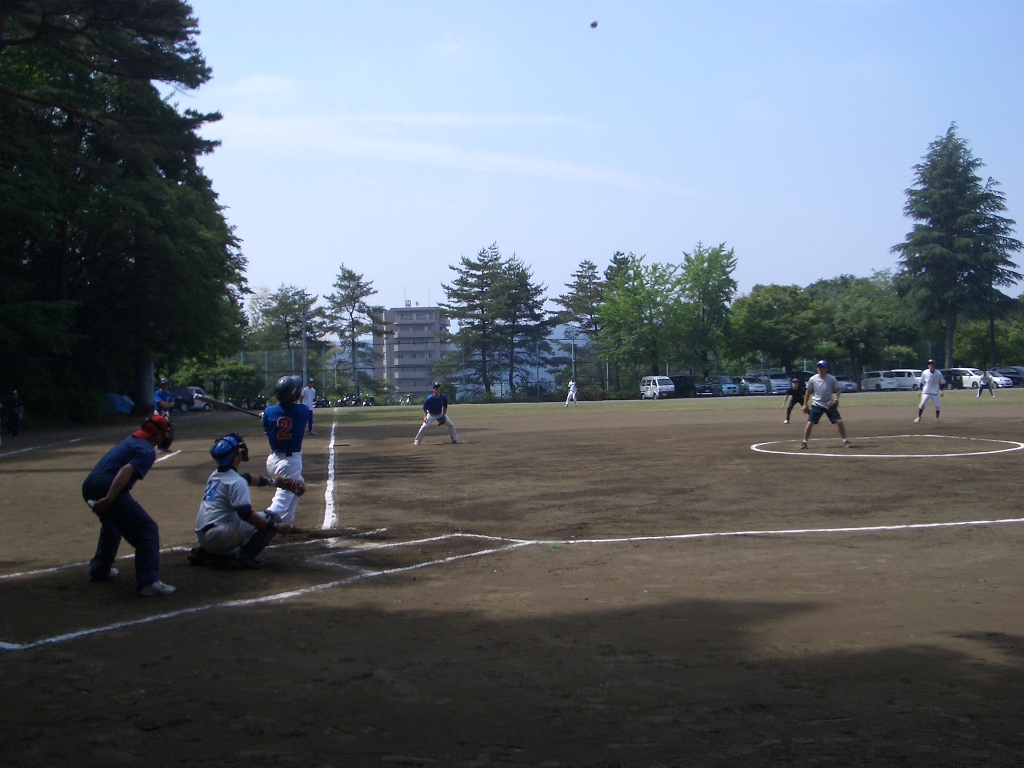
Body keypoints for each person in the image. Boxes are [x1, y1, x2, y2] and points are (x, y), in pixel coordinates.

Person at [81, 414, 176, 596]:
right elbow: (125, 471)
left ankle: (100, 570)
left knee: (112, 526)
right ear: (157, 435)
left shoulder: (130, 441)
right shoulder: (147, 451)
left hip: (89, 486)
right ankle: (149, 582)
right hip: (106, 488)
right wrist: (109, 498)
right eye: (164, 433)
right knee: (147, 530)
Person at [188, 433, 302, 569]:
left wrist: (274, 482)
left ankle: (206, 553)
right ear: (235, 457)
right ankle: (244, 558)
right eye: (238, 451)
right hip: (219, 537)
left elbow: (247, 478)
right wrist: (275, 527)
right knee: (272, 518)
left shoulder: (215, 476)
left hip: (202, 536)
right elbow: (246, 514)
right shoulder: (237, 482)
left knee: (231, 515)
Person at [262, 375, 312, 526]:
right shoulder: (303, 411)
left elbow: (267, 429)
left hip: (273, 460)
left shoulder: (269, 412)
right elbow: (292, 412)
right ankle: (257, 523)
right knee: (280, 503)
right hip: (289, 464)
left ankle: (287, 523)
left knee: (298, 485)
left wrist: (266, 417)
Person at [801, 360, 851, 450]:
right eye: (818, 367)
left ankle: (845, 440)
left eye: (822, 367)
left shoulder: (831, 378)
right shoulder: (812, 379)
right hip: (817, 404)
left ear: (826, 368)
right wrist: (805, 404)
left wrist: (835, 399)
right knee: (810, 423)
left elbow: (838, 390)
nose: (820, 369)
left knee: (839, 422)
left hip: (829, 404)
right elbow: (808, 392)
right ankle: (804, 442)